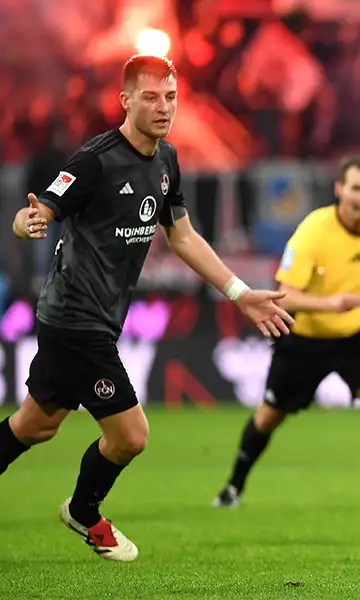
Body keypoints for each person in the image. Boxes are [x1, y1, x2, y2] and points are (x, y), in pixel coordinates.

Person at [0, 54, 293, 562]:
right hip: (74, 322)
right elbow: (42, 207)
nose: (163, 107)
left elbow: (182, 236)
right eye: (151, 97)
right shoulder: (94, 160)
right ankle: (85, 512)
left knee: (34, 425)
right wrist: (29, 221)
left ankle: (79, 505)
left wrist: (240, 293)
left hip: (97, 322)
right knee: (131, 435)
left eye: (171, 97)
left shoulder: (166, 161)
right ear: (126, 100)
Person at [213, 155, 360, 510]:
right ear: (339, 189)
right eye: (356, 188)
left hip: (354, 336)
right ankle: (233, 487)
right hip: (304, 340)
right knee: (269, 416)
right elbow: (284, 293)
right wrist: (332, 304)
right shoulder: (314, 231)